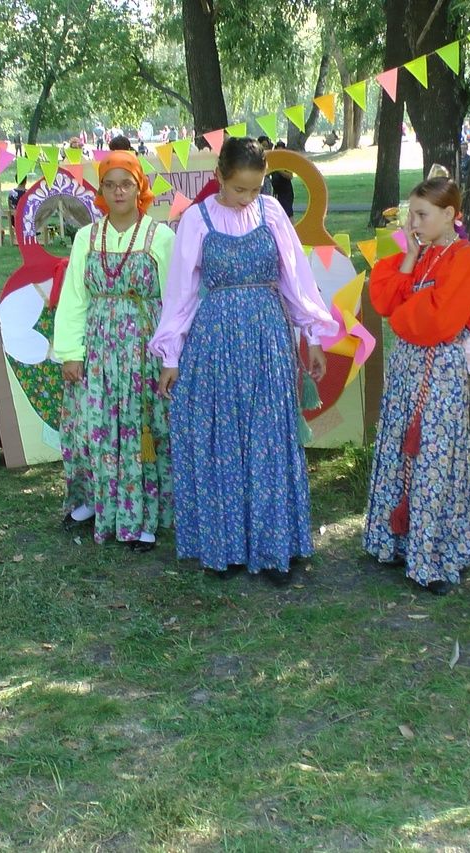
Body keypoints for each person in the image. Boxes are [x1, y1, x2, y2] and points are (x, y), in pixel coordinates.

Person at [150, 137, 337, 584]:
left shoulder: (272, 213)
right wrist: (172, 355)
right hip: (214, 342)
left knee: (268, 436)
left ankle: (274, 547)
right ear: (219, 178)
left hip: (268, 339)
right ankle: (225, 545)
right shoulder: (195, 220)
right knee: (222, 437)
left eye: (254, 188)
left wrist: (310, 336)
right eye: (239, 189)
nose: (247, 197)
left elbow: (296, 279)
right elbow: (181, 292)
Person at [362, 176, 470, 595]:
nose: (412, 222)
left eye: (421, 214)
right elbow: (383, 300)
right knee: (400, 445)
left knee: (431, 451)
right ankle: (394, 540)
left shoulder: (468, 260)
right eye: (410, 213)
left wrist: (407, 303)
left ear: (450, 214)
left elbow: (437, 321)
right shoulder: (415, 251)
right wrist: (411, 262)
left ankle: (431, 553)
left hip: (438, 370)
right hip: (406, 367)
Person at [54, 151, 175, 552]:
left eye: (126, 183)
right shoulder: (86, 237)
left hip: (143, 352)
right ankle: (95, 500)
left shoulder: (161, 237)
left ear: (140, 188)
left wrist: (170, 356)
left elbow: (176, 301)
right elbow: (74, 297)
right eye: (110, 184)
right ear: (101, 190)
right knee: (93, 425)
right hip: (98, 349)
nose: (118, 190)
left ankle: (142, 518)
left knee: (142, 430)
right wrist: (71, 351)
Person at [270, 141, 294, 217]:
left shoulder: (286, 161)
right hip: (276, 192)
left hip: (286, 192)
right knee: (277, 213)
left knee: (288, 213)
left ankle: (291, 228)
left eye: (281, 151)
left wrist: (278, 170)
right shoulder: (273, 161)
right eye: (278, 151)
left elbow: (290, 176)